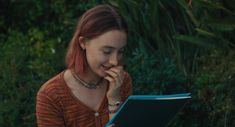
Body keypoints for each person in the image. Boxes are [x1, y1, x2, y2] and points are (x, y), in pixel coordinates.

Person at [36, 4, 132, 127]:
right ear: (83, 43)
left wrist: (114, 100)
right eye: (106, 51)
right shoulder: (51, 95)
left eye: (121, 51)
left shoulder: (122, 82)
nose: (114, 61)